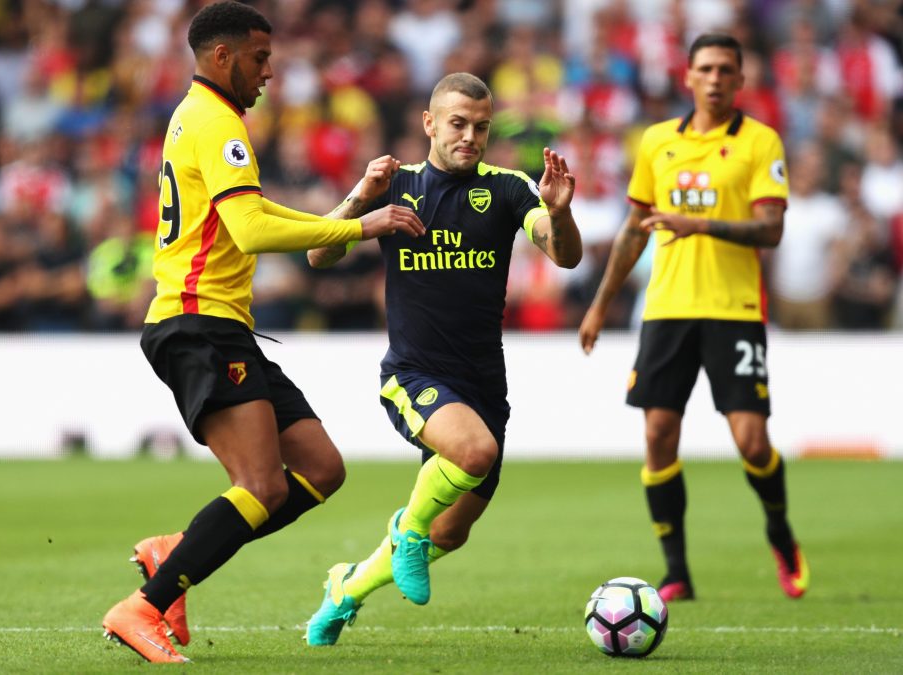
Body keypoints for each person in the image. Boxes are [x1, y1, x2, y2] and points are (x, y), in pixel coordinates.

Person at [100, 1, 425, 664]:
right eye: (258, 57)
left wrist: (351, 205)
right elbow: (252, 230)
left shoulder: (200, 117)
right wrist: (360, 227)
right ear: (222, 56)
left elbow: (256, 213)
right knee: (261, 483)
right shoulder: (217, 122)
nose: (268, 71)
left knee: (320, 468)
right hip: (198, 323)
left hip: (223, 328)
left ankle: (174, 551)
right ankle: (144, 604)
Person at [302, 72, 582, 645]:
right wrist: (360, 193)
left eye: (481, 127)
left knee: (449, 535)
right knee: (471, 452)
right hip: (413, 373)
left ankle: (346, 588)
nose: (470, 136)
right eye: (458, 124)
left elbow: (564, 256)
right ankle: (406, 535)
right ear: (429, 123)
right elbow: (317, 254)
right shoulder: (394, 183)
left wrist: (561, 213)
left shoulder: (506, 188)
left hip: (483, 386)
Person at [578, 34, 809, 602]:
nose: (714, 78)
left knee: (752, 441)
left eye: (725, 69)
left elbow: (772, 229)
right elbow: (637, 228)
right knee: (658, 435)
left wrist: (698, 224)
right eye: (704, 68)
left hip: (734, 309)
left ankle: (779, 530)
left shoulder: (760, 142)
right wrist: (601, 305)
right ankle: (676, 569)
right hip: (667, 309)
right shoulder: (658, 143)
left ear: (740, 80)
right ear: (688, 77)